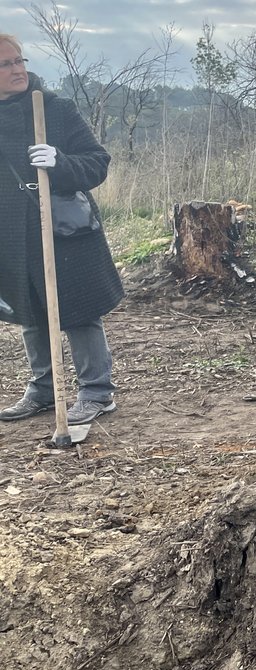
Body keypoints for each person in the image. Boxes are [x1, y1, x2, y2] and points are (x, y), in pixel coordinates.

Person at [0, 34, 122, 425]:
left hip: (64, 231)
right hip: (12, 236)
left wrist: (60, 162)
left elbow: (97, 163)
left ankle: (97, 392)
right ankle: (43, 389)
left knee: (80, 310)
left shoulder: (55, 109)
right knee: (31, 309)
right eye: (6, 65)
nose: (18, 70)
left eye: (20, 60)